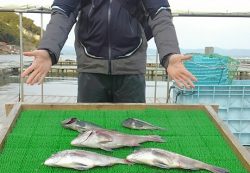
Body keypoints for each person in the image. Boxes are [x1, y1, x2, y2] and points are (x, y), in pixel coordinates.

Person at [22, 0, 197, 103]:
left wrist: (170, 55)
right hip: (90, 67)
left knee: (133, 126)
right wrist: (48, 50)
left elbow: (160, 15)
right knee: (88, 129)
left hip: (131, 67)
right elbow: (63, 13)